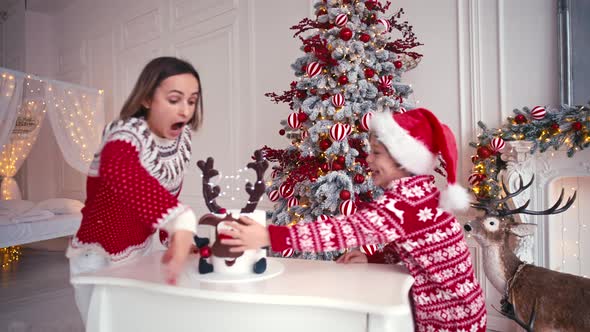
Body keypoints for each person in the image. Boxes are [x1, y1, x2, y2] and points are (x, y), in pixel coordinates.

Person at [221, 108, 486, 332]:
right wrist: (374, 259)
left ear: (403, 160)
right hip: (463, 308)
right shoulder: (421, 194)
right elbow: (416, 249)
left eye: (377, 153)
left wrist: (269, 236)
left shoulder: (404, 203)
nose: (368, 159)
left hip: (450, 319)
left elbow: (343, 230)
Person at [66, 56, 203, 323]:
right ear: (147, 99)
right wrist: (180, 220)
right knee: (103, 325)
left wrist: (173, 239)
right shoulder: (123, 133)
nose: (185, 111)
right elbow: (120, 171)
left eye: (192, 100)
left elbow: (167, 191)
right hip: (98, 255)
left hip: (140, 250)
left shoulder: (182, 139)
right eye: (174, 100)